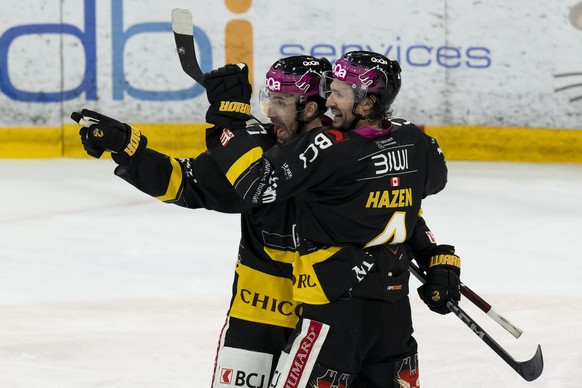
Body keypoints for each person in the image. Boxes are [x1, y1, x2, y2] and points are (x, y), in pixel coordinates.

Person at [71, 56, 388, 386]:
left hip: (326, 319)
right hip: (256, 315)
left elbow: (396, 214)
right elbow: (186, 183)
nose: (269, 111)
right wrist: (128, 148)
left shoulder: (346, 155)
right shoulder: (255, 153)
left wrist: (434, 255)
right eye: (269, 99)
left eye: (280, 102)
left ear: (309, 109)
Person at [203, 51, 462, 387]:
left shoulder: (329, 147)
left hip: (332, 309)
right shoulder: (415, 141)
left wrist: (229, 121)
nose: (328, 101)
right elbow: (408, 205)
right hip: (393, 313)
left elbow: (258, 185)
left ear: (367, 104)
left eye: (339, 93)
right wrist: (434, 256)